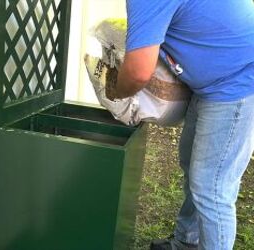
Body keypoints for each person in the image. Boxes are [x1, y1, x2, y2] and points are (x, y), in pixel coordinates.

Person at [108, 0, 254, 249]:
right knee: (192, 166)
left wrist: (115, 94)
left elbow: (137, 72)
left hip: (237, 82)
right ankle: (187, 242)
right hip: (211, 84)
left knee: (212, 187)